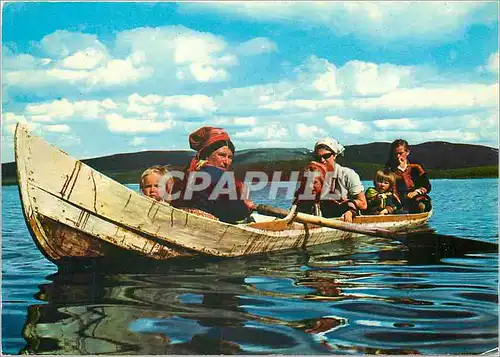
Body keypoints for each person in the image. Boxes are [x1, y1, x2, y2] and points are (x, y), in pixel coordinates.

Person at [174, 126, 255, 223]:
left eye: (230, 157)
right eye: (221, 155)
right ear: (207, 155)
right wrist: (246, 207)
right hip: (205, 225)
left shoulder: (190, 172)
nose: (226, 162)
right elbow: (237, 214)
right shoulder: (220, 176)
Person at [294, 137, 367, 223]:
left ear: (335, 155)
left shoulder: (348, 174)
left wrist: (349, 208)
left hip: (345, 216)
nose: (322, 160)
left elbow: (363, 204)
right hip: (319, 217)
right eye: (318, 157)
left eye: (326, 156)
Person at [385, 139, 432, 213]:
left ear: (407, 152)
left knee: (422, 205)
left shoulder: (416, 165)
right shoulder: (389, 167)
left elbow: (427, 186)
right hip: (396, 198)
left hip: (415, 196)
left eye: (400, 153)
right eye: (395, 154)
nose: (398, 156)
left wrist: (416, 192)